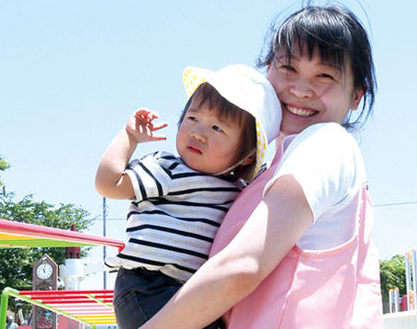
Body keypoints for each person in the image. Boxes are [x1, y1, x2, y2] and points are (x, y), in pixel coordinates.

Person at [141, 4, 384, 329]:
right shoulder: (271, 165)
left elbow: (241, 267)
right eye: (287, 69)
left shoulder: (326, 142)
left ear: (356, 95)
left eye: (324, 75)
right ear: (266, 69)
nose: (300, 89)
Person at [95, 64, 282, 329]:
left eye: (217, 128)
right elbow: (108, 184)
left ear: (247, 156)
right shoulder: (168, 169)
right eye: (192, 118)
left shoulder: (239, 193)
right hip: (148, 286)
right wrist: (128, 137)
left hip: (191, 294)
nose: (198, 132)